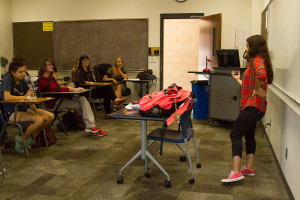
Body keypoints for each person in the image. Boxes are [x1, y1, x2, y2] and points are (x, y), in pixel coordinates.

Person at [221, 35, 274, 183]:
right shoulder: (258, 61)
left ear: (254, 47)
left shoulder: (257, 60)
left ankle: (237, 172)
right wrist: (238, 78)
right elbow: (248, 85)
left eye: (247, 46)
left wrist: (257, 89)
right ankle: (250, 168)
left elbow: (261, 75)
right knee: (249, 136)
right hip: (255, 106)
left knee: (235, 134)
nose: (246, 49)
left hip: (253, 106)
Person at [37, 58, 107, 136]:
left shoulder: (51, 78)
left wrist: (72, 90)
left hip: (61, 99)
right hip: (53, 102)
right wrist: (71, 89)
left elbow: (58, 89)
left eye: (52, 64)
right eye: (49, 64)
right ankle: (91, 127)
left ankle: (91, 127)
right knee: (79, 105)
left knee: (82, 99)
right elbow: (54, 89)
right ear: (44, 66)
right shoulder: (41, 80)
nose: (52, 66)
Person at [1, 58, 54, 153]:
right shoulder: (8, 79)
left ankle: (30, 138)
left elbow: (28, 98)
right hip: (11, 112)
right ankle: (21, 139)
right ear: (12, 72)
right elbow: (7, 97)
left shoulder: (22, 81)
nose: (24, 74)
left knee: (49, 116)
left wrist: (34, 106)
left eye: (25, 71)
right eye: (20, 72)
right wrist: (24, 97)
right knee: (39, 119)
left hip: (23, 108)